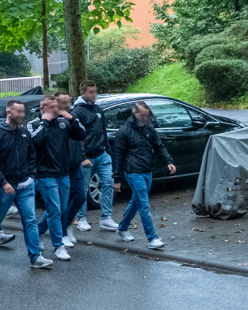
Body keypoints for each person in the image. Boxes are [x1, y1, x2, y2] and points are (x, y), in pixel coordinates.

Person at [0, 100, 53, 268]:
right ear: (9, 113)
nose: (23, 115)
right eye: (19, 112)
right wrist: (3, 182)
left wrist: (31, 176)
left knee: (30, 220)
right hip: (2, 187)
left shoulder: (24, 132)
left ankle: (35, 257)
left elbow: (32, 155)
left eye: (23, 112)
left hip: (24, 186)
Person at [29, 95, 85, 261]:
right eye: (51, 106)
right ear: (42, 108)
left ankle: (38, 233)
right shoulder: (34, 124)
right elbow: (34, 141)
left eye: (57, 106)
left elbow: (81, 134)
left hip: (63, 173)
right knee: (54, 209)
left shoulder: (63, 122)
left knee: (59, 209)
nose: (56, 109)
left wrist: (71, 118)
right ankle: (58, 246)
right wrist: (45, 122)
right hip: (45, 174)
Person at [111, 101, 174, 249]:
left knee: (136, 201)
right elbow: (118, 156)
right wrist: (117, 178)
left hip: (147, 170)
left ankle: (122, 228)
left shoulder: (148, 128)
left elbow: (159, 146)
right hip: (133, 172)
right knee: (144, 205)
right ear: (135, 113)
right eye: (143, 116)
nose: (145, 118)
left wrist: (168, 161)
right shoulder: (124, 131)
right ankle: (152, 238)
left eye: (147, 115)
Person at [70, 81, 117, 231]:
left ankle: (106, 218)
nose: (94, 94)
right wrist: (83, 156)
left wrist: (107, 151)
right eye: (91, 92)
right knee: (83, 189)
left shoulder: (98, 109)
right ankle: (82, 218)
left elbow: (103, 131)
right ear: (83, 93)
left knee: (108, 183)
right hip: (86, 157)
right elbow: (77, 137)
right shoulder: (77, 112)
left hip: (102, 154)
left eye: (95, 91)